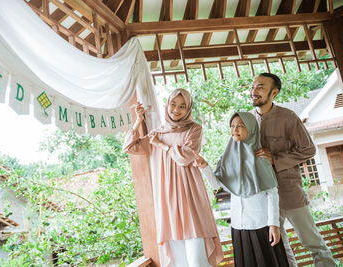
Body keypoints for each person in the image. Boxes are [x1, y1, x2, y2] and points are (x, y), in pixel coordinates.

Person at [123, 88, 223, 267]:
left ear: (188, 109)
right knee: (179, 262)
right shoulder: (157, 133)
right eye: (173, 104)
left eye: (182, 106)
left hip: (190, 198)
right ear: (167, 105)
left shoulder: (194, 129)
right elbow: (129, 147)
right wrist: (139, 120)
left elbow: (184, 157)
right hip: (168, 202)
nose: (176, 110)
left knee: (197, 261)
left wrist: (162, 146)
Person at [250, 73, 335, 267]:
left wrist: (276, 159)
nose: (253, 91)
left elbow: (309, 149)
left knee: (313, 243)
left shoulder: (288, 117)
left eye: (260, 87)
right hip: (263, 195)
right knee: (279, 246)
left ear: (274, 93)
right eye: (252, 86)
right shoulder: (247, 121)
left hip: (290, 190)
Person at [196, 111, 289, 267]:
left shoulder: (260, 156)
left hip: (262, 225)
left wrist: (274, 224)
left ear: (251, 128)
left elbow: (272, 193)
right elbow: (217, 185)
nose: (235, 130)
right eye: (232, 126)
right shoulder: (227, 157)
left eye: (240, 126)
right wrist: (205, 166)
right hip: (239, 226)